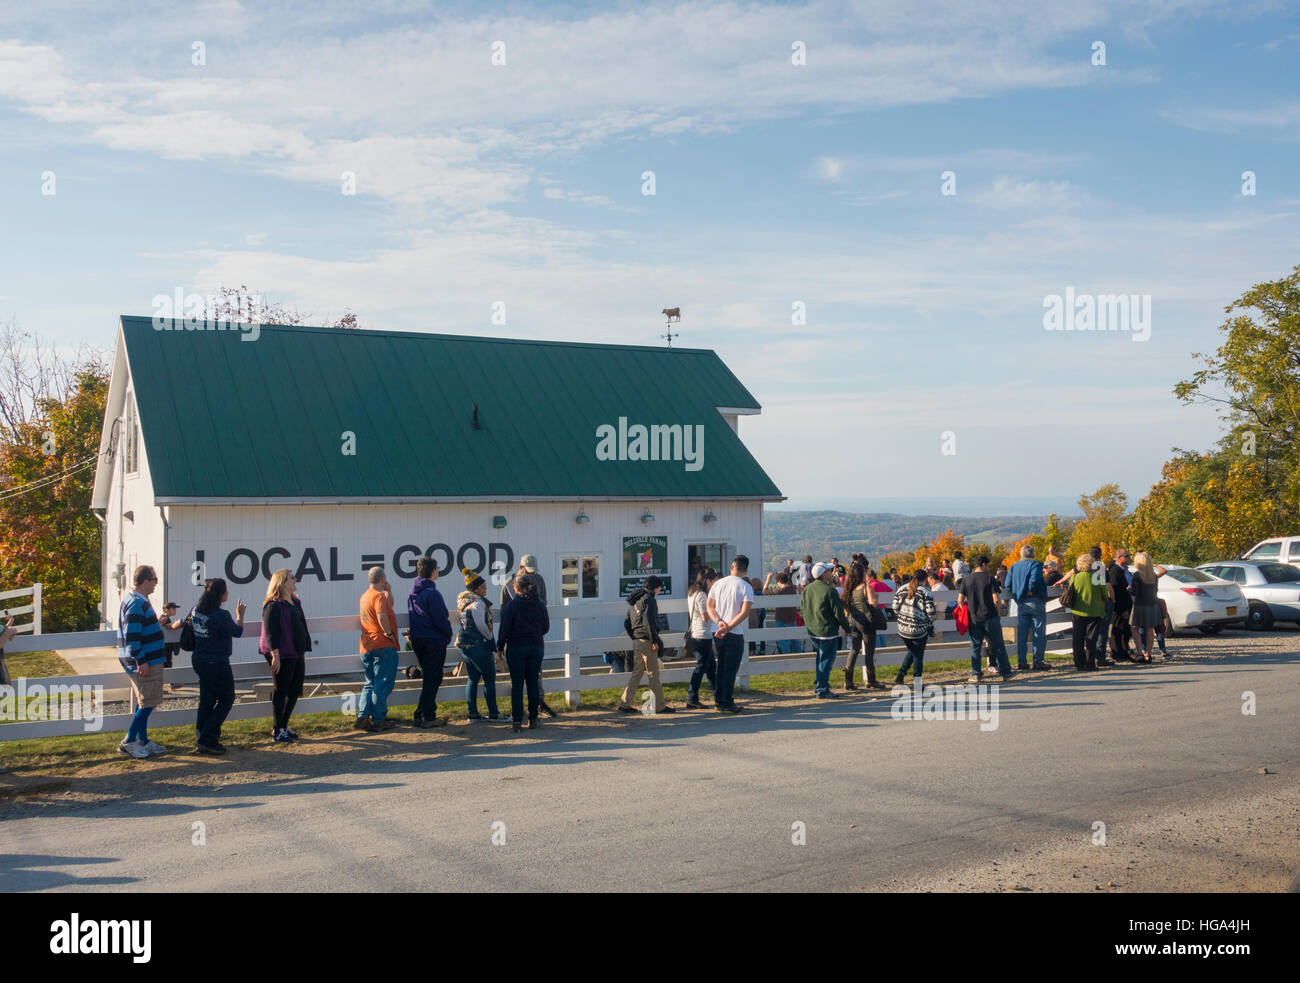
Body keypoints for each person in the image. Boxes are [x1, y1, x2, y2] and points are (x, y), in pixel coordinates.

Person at [117, 565, 168, 758]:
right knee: (148, 702)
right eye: (154, 579)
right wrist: (141, 660)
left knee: (144, 701)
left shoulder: (137, 600)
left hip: (145, 658)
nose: (156, 583)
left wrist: (156, 623)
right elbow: (132, 636)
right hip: (145, 660)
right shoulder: (137, 604)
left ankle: (143, 740)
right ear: (145, 581)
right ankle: (129, 740)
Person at [189, 578, 245, 754]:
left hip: (199, 660)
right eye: (226, 590)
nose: (227, 593)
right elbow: (237, 632)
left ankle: (202, 736)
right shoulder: (221, 615)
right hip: (217, 662)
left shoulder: (196, 610)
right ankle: (208, 738)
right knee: (227, 699)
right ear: (220, 594)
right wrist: (240, 616)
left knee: (207, 700)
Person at [260, 568, 312, 741]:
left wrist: (304, 649)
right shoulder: (273, 605)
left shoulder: (295, 603)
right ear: (282, 583)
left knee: (296, 690)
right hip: (281, 653)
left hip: (296, 652)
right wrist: (275, 654)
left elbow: (302, 627)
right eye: (292, 578)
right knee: (281, 690)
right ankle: (277, 729)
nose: (295, 580)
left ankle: (284, 724)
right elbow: (270, 631)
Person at [497, 573, 550, 731]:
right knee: (533, 683)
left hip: (516, 648)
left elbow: (504, 629)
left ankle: (517, 721)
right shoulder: (539, 604)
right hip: (536, 646)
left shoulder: (512, 606)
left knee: (517, 685)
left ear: (516, 588)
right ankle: (533, 719)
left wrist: (500, 647)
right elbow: (546, 627)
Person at [616, 575, 675, 714]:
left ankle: (624, 703)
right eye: (659, 588)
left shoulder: (634, 600)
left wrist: (634, 637)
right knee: (653, 675)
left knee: (636, 674)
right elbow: (650, 622)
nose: (659, 591)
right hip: (647, 641)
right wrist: (653, 641)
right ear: (655, 587)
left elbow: (626, 623)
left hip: (637, 641)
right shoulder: (650, 600)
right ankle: (659, 706)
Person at [706, 555, 755, 714]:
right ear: (745, 570)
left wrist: (718, 621)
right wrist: (728, 627)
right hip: (733, 632)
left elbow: (710, 606)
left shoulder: (718, 583)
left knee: (721, 666)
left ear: (732, 567)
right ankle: (726, 701)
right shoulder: (746, 586)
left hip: (716, 629)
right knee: (730, 669)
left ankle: (719, 699)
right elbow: (744, 612)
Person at [407, 556, 452, 728]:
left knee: (429, 677)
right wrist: (447, 634)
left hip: (419, 639)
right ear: (433, 571)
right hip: (433, 640)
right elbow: (440, 618)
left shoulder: (413, 592)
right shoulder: (432, 593)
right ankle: (427, 715)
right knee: (434, 678)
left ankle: (421, 712)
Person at [356, 567, 401, 733]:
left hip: (366, 646)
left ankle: (362, 716)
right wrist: (389, 634)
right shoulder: (378, 596)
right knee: (382, 683)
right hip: (382, 644)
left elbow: (389, 606)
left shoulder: (365, 596)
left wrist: (388, 591)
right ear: (382, 579)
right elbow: (382, 615)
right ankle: (378, 719)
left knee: (369, 683)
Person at [456, 568, 504, 720]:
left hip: (465, 646)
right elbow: (481, 625)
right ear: (476, 589)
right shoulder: (477, 604)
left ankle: (473, 713)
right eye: (483, 586)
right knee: (489, 678)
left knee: (473, 678)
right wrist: (490, 637)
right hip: (477, 645)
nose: (486, 588)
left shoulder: (464, 604)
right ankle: (494, 713)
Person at [800, 562, 851, 699]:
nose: (831, 573)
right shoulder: (830, 591)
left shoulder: (807, 589)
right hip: (827, 631)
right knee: (826, 661)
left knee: (819, 659)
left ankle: (819, 684)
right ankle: (822, 689)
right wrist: (848, 629)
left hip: (813, 630)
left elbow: (803, 609)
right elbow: (838, 613)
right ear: (824, 574)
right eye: (829, 571)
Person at [960, 555, 1012, 683]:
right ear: (983, 564)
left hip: (974, 619)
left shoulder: (966, 580)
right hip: (990, 617)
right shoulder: (989, 579)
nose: (989, 568)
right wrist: (998, 612)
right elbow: (996, 599)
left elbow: (960, 600)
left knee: (975, 647)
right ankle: (1006, 672)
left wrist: (966, 612)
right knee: (998, 645)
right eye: (988, 565)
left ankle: (976, 674)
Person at [1008, 545, 1050, 671]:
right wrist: (1030, 590)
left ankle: (1022, 662)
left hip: (1021, 603)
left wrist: (1018, 592)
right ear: (1033, 553)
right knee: (1039, 632)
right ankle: (1038, 661)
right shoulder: (1036, 565)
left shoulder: (1014, 566)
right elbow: (1035, 579)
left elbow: (1007, 584)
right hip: (1035, 601)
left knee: (1022, 634)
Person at [892, 569, 936, 684]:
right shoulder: (926, 592)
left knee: (913, 651)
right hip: (918, 629)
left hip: (903, 629)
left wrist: (904, 617)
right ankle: (917, 684)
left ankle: (901, 674)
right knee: (918, 656)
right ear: (925, 579)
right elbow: (931, 614)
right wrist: (928, 624)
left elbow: (895, 608)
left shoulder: (901, 589)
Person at [841, 562, 881, 689]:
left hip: (853, 622)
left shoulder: (849, 590)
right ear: (862, 574)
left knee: (854, 649)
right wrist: (875, 597)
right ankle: (871, 680)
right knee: (869, 651)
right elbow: (873, 603)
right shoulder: (866, 587)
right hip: (866, 622)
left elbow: (846, 610)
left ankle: (848, 680)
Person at [1065, 553, 1107, 670]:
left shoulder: (1074, 578)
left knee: (1078, 638)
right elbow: (1105, 595)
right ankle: (1090, 663)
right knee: (1092, 639)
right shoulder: (1098, 577)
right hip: (1095, 611)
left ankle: (1079, 663)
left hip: (1078, 611)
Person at [686, 568, 718, 708]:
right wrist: (715, 609)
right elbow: (705, 617)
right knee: (701, 667)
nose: (714, 584)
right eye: (713, 581)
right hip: (703, 634)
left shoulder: (692, 593)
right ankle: (692, 697)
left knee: (711, 666)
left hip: (696, 633)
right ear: (707, 580)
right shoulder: (702, 595)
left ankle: (718, 694)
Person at [1128, 551, 1161, 663]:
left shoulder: (1137, 575)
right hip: (1152, 605)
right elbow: (1155, 591)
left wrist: (1129, 589)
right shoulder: (1154, 576)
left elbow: (1135, 592)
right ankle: (1148, 654)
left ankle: (1140, 653)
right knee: (1149, 630)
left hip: (1139, 605)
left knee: (1134, 628)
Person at [1107, 547, 1135, 661]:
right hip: (1120, 606)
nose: (1129, 558)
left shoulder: (1126, 570)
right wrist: (1122, 609)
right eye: (1126, 556)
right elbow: (1116, 592)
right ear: (1119, 558)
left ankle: (1125, 650)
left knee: (1126, 630)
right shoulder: (1114, 572)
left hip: (1129, 604)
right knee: (1117, 630)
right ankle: (1117, 652)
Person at [762, 570, 800, 655]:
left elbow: (764, 592)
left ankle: (785, 656)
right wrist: (782, 575)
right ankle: (799, 655)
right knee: (795, 639)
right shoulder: (792, 588)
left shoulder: (779, 591)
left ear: (778, 581)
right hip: (792, 617)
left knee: (783, 640)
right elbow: (788, 582)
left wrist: (768, 579)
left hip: (781, 619)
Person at [1090, 546, 1116, 667]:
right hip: (1102, 600)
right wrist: (1112, 600)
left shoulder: (1083, 567)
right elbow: (1108, 586)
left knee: (1090, 630)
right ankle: (1100, 657)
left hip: (1089, 601)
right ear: (1100, 555)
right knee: (1103, 629)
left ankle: (1090, 655)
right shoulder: (1100, 567)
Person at [160, 601, 183, 692]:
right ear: (166, 610)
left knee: (167, 664)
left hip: (166, 646)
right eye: (173, 608)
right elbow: (165, 628)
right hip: (165, 647)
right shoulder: (165, 618)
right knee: (167, 664)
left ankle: (171, 683)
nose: (175, 610)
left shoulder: (165, 618)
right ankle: (172, 684)